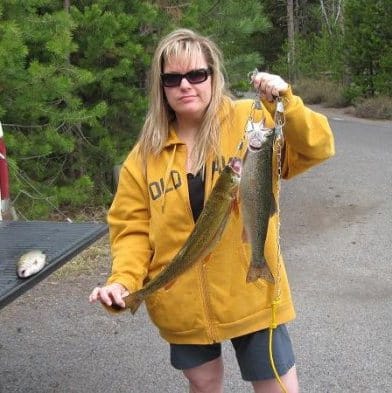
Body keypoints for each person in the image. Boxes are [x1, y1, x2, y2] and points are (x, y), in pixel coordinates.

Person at [89, 28, 334, 393]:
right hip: (181, 300)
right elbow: (131, 229)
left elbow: (317, 146)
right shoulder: (142, 156)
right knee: (203, 383)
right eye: (172, 78)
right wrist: (123, 281)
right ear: (161, 87)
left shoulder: (249, 121)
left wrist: (285, 101)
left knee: (277, 384)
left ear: (213, 76)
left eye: (196, 74)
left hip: (251, 292)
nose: (185, 85)